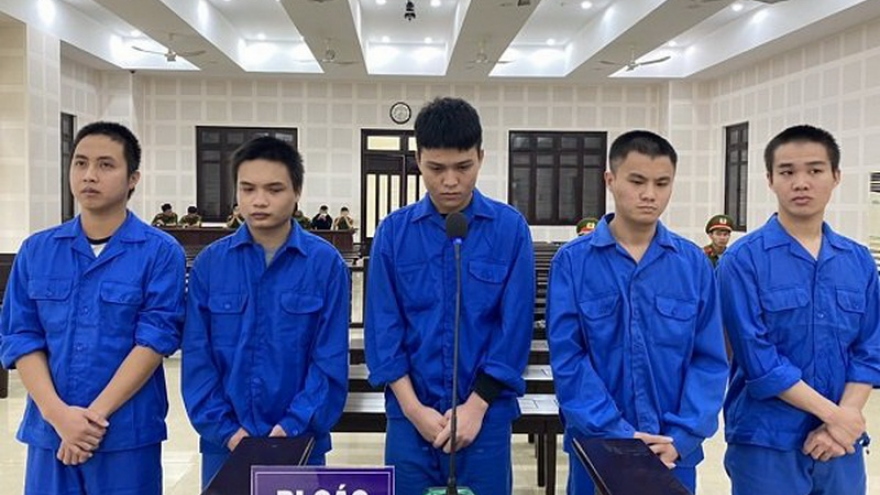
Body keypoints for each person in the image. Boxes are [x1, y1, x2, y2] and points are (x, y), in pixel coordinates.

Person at [0, 121, 186, 495]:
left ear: (132, 179)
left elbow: (155, 340)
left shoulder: (160, 252)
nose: (89, 175)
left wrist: (90, 421)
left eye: (105, 165)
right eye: (80, 163)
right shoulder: (37, 250)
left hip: (126, 434)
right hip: (50, 433)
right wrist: (59, 416)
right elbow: (21, 337)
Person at [365, 97, 535, 495]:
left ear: (481, 157)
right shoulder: (393, 233)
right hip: (410, 417)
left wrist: (476, 406)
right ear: (418, 161)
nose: (450, 181)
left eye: (463, 167)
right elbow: (383, 330)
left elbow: (514, 329)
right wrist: (414, 410)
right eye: (436, 168)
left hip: (486, 416)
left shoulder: (509, 230)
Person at [546, 130, 728, 494]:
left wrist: (682, 436)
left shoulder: (693, 265)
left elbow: (709, 360)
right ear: (610, 180)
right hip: (597, 447)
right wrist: (617, 434)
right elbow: (569, 358)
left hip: (671, 452)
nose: (649, 194)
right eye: (637, 181)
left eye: (662, 183)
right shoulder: (573, 263)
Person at [718, 125, 880, 495]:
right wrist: (837, 417)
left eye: (815, 170)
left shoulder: (857, 261)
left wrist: (844, 420)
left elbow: (870, 349)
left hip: (841, 446)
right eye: (787, 172)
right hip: (766, 440)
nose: (801, 183)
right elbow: (759, 360)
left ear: (836, 176)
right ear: (770, 180)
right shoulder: (743, 261)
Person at [182, 136, 350, 488]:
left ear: (297, 191)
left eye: (274, 189)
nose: (259, 201)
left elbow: (329, 360)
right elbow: (198, 358)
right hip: (225, 445)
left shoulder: (325, 265)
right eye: (248, 189)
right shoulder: (211, 265)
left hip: (301, 442)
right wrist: (228, 432)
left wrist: (291, 426)